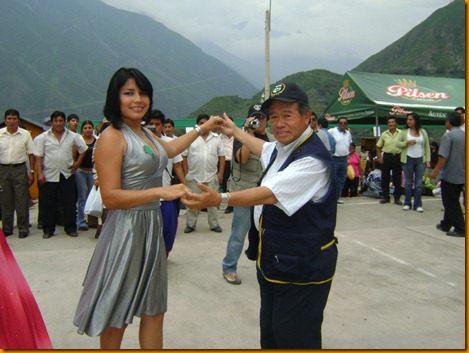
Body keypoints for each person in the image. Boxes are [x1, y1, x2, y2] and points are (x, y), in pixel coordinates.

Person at [73, 67, 224, 349]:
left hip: (151, 227)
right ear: (115, 98)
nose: (138, 99)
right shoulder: (112, 136)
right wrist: (160, 191)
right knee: (116, 312)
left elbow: (169, 149)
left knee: (155, 309)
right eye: (129, 93)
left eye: (143, 93)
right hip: (125, 231)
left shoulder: (144, 133)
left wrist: (203, 128)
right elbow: (111, 197)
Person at [183, 82, 338, 349]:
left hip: (302, 269)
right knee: (272, 334)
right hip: (276, 263)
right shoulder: (284, 147)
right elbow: (263, 149)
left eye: (287, 115)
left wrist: (219, 198)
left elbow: (269, 194)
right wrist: (235, 132)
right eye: (274, 116)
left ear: (307, 116)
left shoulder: (312, 160)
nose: (279, 123)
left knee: (295, 338)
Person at [222, 103, 274, 285]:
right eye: (254, 117)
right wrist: (248, 134)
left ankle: (266, 268)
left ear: (267, 120)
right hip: (243, 193)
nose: (258, 121)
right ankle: (229, 267)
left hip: (265, 193)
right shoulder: (241, 136)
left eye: (261, 117)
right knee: (239, 232)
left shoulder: (273, 139)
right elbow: (242, 159)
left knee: (267, 233)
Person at [34, 111, 88, 238]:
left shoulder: (73, 136)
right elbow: (38, 156)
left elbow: (83, 149)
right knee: (48, 203)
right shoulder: (43, 137)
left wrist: (77, 164)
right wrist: (39, 173)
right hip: (49, 174)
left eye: (61, 121)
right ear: (52, 122)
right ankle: (48, 229)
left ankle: (70, 228)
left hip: (67, 173)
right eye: (56, 121)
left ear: (65, 122)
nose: (58, 123)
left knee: (69, 203)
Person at [146, 109, 186, 256]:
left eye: (157, 124)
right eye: (151, 124)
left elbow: (177, 166)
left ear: (163, 125)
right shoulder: (140, 142)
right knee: (148, 230)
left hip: (167, 195)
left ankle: (164, 254)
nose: (154, 127)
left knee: (169, 228)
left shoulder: (171, 143)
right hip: (146, 196)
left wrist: (185, 186)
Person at [182, 114, 225, 234]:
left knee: (213, 202)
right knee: (192, 202)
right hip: (194, 176)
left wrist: (220, 174)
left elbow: (222, 157)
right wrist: (186, 173)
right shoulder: (191, 138)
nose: (204, 125)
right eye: (201, 123)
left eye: (207, 122)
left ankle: (214, 224)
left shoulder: (216, 139)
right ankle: (190, 224)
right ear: (197, 124)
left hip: (211, 176)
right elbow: (184, 156)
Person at [0, 109, 35, 238]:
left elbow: (31, 154)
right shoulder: (0, 134)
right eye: (9, 118)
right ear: (5, 120)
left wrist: (31, 171)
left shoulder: (25, 134)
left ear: (18, 120)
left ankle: (23, 228)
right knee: (5, 200)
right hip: (3, 169)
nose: (12, 121)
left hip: (20, 169)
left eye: (14, 118)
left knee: (22, 200)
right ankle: (7, 228)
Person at [431, 112, 465, 237]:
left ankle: (461, 228)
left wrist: (435, 171)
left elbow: (443, 157)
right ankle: (446, 223)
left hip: (450, 173)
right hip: (461, 173)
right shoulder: (463, 134)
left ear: (448, 122)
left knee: (450, 202)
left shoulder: (448, 136)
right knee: (453, 199)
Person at [396, 113, 431, 213]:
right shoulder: (404, 132)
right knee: (408, 183)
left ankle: (418, 204)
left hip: (420, 159)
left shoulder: (423, 132)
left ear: (415, 121)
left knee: (419, 183)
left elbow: (427, 147)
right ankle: (407, 203)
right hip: (408, 159)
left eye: (411, 119)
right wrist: (406, 143)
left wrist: (427, 160)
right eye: (407, 120)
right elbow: (398, 144)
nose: (408, 121)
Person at [75, 120, 97, 231]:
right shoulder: (78, 140)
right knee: (82, 196)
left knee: (92, 196)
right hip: (80, 172)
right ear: (82, 129)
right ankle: (81, 220)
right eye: (85, 128)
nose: (88, 129)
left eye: (90, 127)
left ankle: (92, 220)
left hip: (92, 172)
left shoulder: (98, 140)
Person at [376, 117, 402, 205]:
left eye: (393, 122)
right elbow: (378, 146)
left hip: (397, 157)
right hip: (386, 157)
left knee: (397, 178)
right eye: (389, 122)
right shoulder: (384, 134)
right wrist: (379, 157)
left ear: (396, 124)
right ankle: (385, 197)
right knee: (385, 178)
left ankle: (397, 198)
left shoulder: (401, 133)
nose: (391, 124)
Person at [329, 116, 352, 203]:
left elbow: (348, 145)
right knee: (332, 179)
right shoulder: (332, 131)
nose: (343, 124)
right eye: (341, 123)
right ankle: (330, 198)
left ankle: (336, 197)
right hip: (334, 158)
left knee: (341, 179)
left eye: (344, 123)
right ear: (338, 123)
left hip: (344, 159)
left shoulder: (348, 133)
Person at [220, 127, 233, 213]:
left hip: (235, 163)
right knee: (225, 183)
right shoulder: (219, 137)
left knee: (234, 183)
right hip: (224, 163)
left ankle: (233, 204)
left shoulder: (237, 137)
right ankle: (228, 204)